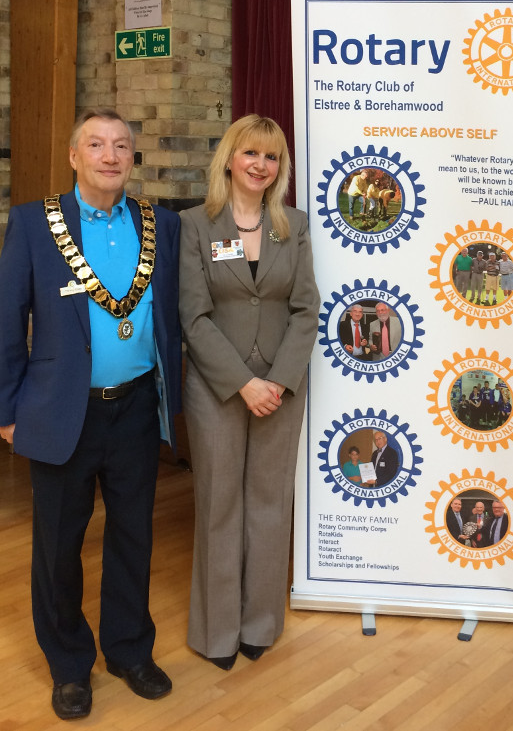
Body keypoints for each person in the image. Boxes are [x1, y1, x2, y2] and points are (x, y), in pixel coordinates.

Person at [0, 108, 182, 720]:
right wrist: (5, 410)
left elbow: (170, 314)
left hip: (133, 408)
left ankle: (129, 650)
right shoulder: (33, 223)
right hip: (59, 411)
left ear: (133, 158)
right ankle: (70, 664)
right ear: (75, 156)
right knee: (58, 545)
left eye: (122, 146)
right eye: (97, 144)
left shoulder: (160, 225)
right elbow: (6, 320)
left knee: (133, 535)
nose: (110, 155)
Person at [179, 114, 319, 672]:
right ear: (230, 159)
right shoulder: (195, 224)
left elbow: (306, 309)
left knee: (268, 503)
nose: (261, 165)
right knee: (218, 506)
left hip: (282, 388)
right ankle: (217, 631)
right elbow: (193, 316)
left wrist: (278, 381)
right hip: (218, 388)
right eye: (251, 154)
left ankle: (260, 624)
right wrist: (242, 383)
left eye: (272, 157)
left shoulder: (295, 225)